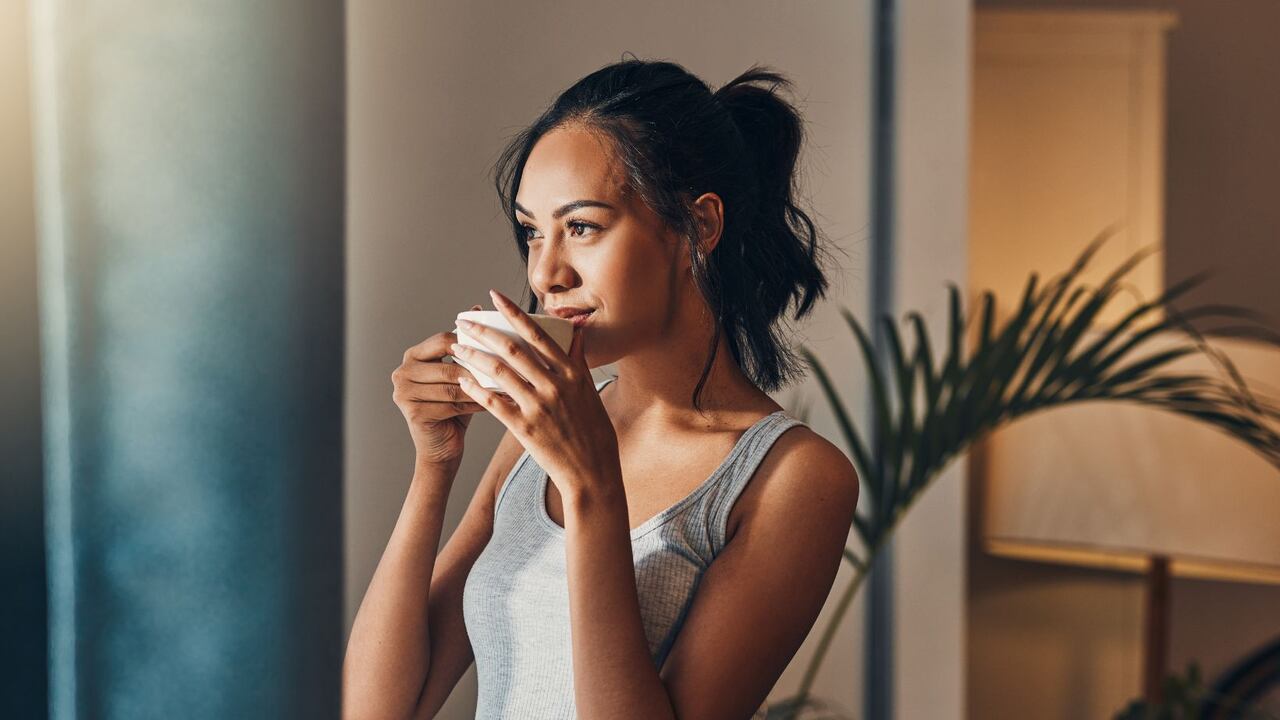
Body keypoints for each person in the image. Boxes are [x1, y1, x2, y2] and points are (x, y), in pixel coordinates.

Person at [343, 57, 860, 720]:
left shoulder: (793, 479)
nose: (546, 272)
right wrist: (434, 465)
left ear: (699, 226)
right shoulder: (534, 440)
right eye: (533, 231)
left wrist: (591, 490)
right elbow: (378, 710)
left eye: (582, 226)